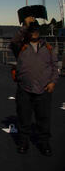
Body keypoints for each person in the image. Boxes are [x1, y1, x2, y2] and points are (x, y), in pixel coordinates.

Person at [10, 20, 58, 156]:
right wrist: (25, 26)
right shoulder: (21, 46)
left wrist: (53, 82)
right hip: (24, 88)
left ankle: (44, 142)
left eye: (36, 30)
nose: (34, 32)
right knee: (24, 117)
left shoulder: (48, 48)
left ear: (40, 31)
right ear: (28, 32)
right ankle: (23, 142)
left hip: (44, 89)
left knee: (43, 117)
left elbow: (55, 67)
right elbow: (13, 42)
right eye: (32, 30)